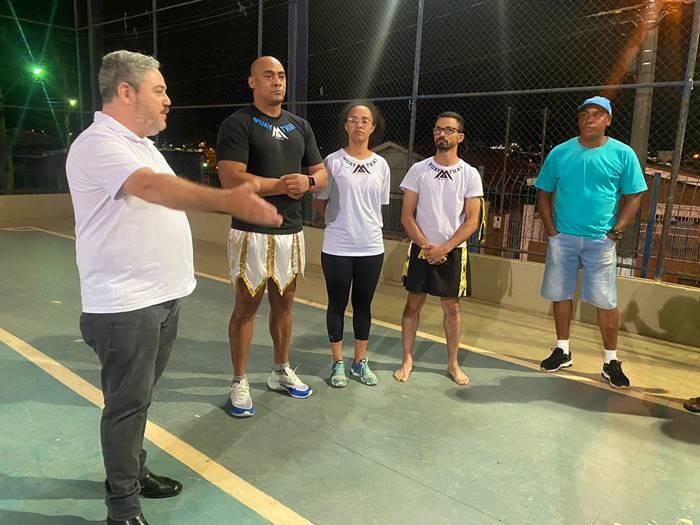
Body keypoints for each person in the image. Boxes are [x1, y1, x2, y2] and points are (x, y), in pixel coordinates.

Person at [66, 50, 281, 525]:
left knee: (139, 399)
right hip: (125, 305)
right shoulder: (99, 143)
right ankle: (122, 507)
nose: (169, 99)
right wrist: (228, 200)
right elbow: (153, 189)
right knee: (125, 405)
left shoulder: (141, 142)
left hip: (160, 299)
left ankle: (133, 471)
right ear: (126, 92)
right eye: (159, 89)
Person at [216, 56, 328, 417]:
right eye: (268, 76)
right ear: (252, 82)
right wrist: (280, 185)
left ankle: (280, 371)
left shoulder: (300, 126)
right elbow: (231, 178)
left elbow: (321, 173)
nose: (277, 82)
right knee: (246, 306)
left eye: (281, 75)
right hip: (251, 230)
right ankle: (239, 380)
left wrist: (308, 182)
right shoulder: (238, 123)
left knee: (286, 303)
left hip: (291, 232)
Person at [535, 96, 647, 388]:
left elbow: (634, 196)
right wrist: (551, 231)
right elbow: (543, 192)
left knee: (605, 300)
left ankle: (611, 361)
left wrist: (616, 232)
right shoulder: (560, 153)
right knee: (561, 294)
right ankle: (562, 350)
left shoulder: (623, 154)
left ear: (608, 120)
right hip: (563, 237)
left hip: (601, 240)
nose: (589, 118)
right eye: (585, 114)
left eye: (597, 114)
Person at [393, 111, 483, 385]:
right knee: (413, 303)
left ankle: (453, 364)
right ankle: (407, 358)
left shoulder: (469, 174)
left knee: (451, 308)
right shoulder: (418, 170)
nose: (441, 134)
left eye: (448, 130)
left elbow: (472, 221)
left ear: (460, 136)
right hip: (422, 248)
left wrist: (444, 248)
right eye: (437, 129)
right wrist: (426, 246)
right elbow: (407, 215)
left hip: (452, 251)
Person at [313, 102, 390, 387]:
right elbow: (320, 203)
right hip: (337, 247)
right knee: (337, 304)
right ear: (346, 125)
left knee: (363, 306)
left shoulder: (381, 165)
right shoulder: (332, 162)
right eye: (353, 119)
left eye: (364, 120)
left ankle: (360, 362)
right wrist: (339, 221)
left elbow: (378, 205)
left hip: (371, 247)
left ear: (372, 127)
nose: (358, 124)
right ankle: (338, 363)